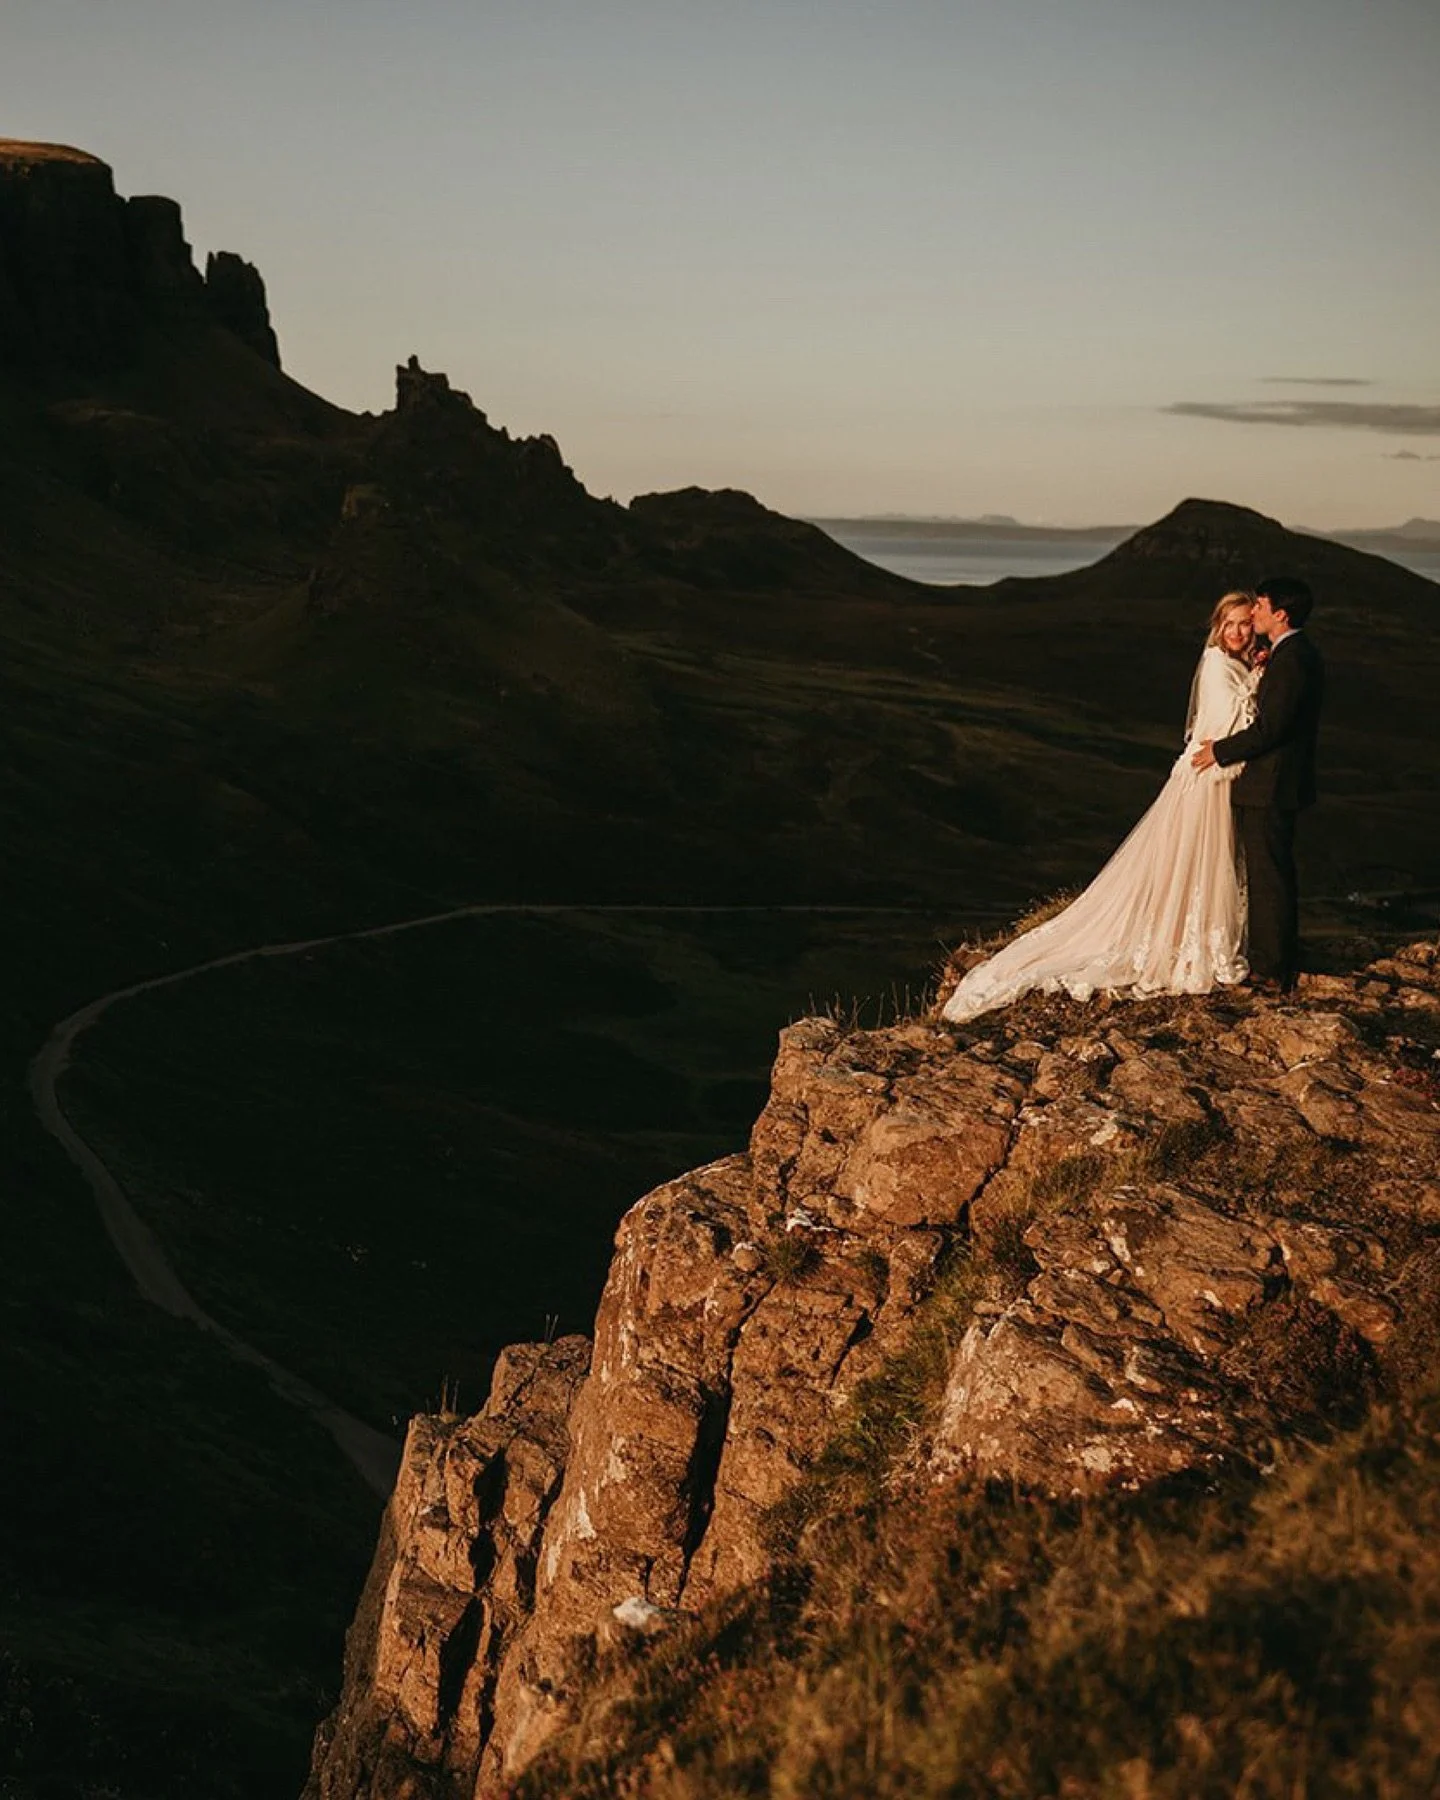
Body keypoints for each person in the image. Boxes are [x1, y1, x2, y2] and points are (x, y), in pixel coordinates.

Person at [942, 592, 1261, 1025]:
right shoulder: (1217, 664)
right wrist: (1259, 680)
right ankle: (1188, 941)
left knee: (1202, 860)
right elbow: (1234, 719)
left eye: (1245, 623)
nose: (1238, 631)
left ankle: (1197, 933)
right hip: (1205, 776)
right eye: (1231, 624)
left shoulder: (1238, 663)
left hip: (1214, 775)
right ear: (1218, 627)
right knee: (1197, 858)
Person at [1191, 576, 1323, 994]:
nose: (1254, 613)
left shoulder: (1292, 659)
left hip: (1271, 784)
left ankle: (1271, 968)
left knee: (1269, 876)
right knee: (1270, 872)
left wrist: (1220, 751)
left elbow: (1271, 729)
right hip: (1272, 783)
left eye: (1260, 607)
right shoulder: (1289, 654)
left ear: (1280, 614)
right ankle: (1274, 957)